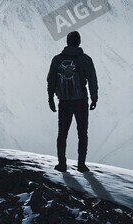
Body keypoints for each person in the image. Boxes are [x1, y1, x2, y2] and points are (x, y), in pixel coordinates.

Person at [47, 30, 99, 172]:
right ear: (79, 42)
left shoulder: (57, 60)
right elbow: (92, 80)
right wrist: (94, 98)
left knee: (62, 133)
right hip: (81, 101)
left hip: (64, 101)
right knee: (82, 133)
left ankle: (62, 164)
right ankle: (81, 165)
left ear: (67, 42)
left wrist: (50, 97)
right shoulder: (86, 59)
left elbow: (51, 80)